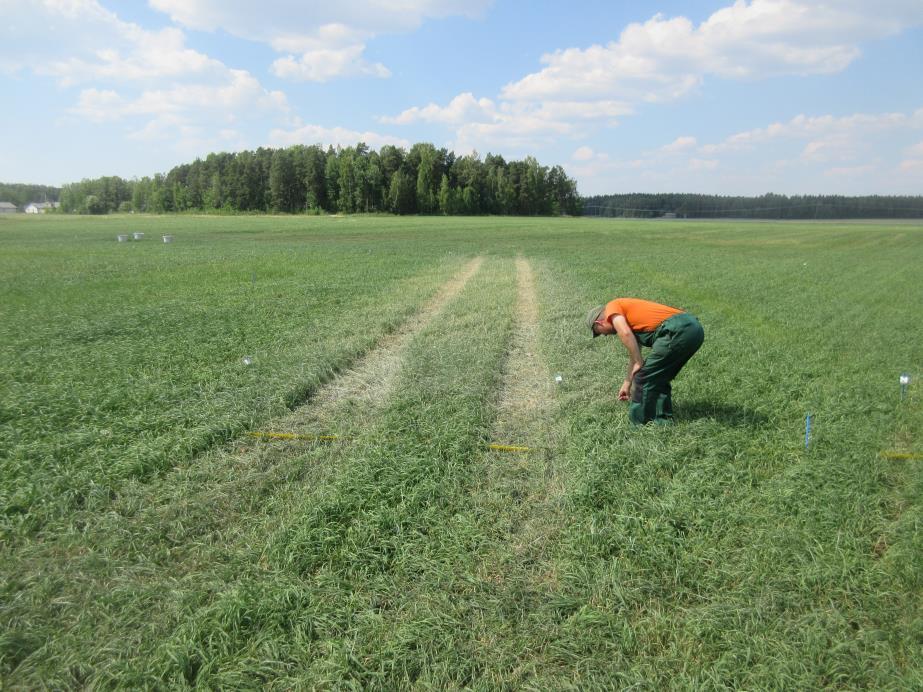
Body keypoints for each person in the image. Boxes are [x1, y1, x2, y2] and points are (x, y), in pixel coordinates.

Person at [586, 298, 703, 425]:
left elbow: (625, 334)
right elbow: (634, 355)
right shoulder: (632, 323)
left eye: (599, 332)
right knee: (657, 375)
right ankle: (662, 420)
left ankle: (638, 425)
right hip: (692, 329)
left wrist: (638, 362)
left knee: (644, 376)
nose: (605, 335)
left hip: (677, 330)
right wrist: (627, 384)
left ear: (599, 322)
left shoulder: (612, 308)